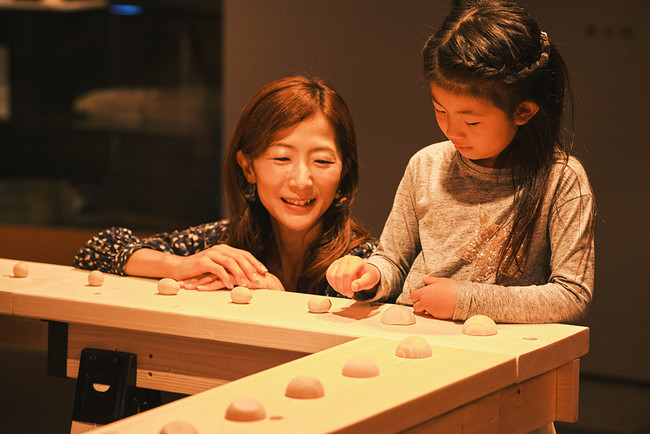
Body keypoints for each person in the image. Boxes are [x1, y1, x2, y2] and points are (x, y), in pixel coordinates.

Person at [326, 0, 595, 324]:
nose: (451, 130)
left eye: (471, 121)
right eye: (440, 110)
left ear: (523, 111)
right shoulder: (425, 165)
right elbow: (393, 261)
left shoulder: (561, 180)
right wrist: (370, 275)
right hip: (411, 336)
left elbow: (572, 293)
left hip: (499, 355)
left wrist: (466, 300)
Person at [74, 75, 376, 296]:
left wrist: (277, 299)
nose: (301, 181)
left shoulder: (368, 264)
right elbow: (99, 249)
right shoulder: (225, 244)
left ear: (344, 172)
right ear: (248, 167)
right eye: (282, 158)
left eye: (322, 162)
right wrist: (181, 266)